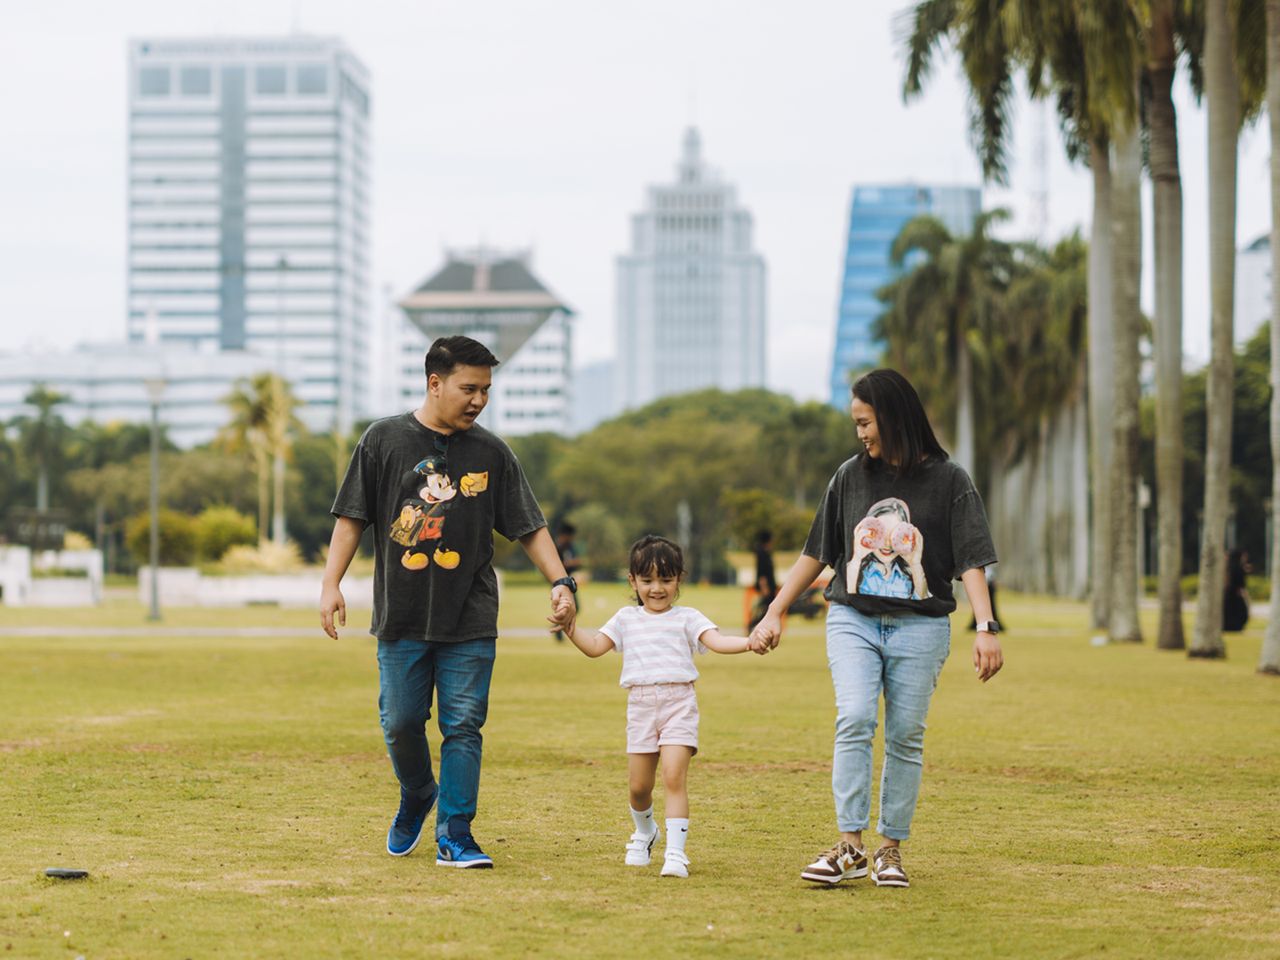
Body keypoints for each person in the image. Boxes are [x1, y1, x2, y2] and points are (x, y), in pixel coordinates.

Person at [320, 335, 577, 868]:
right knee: (400, 722)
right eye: (469, 388)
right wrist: (330, 584)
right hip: (402, 614)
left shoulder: (492, 452)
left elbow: (529, 526)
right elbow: (351, 518)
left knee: (463, 724)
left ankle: (455, 833)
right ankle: (417, 792)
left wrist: (561, 581)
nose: (479, 400)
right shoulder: (383, 440)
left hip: (472, 615)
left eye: (486, 390)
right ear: (435, 383)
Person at [751, 368, 1003, 889]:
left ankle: (890, 850)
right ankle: (850, 847)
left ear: (891, 416)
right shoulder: (850, 475)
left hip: (922, 626)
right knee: (856, 717)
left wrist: (985, 626)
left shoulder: (949, 479)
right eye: (856, 424)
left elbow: (972, 559)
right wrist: (774, 609)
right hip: (853, 619)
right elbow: (817, 551)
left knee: (906, 736)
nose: (860, 433)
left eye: (865, 422)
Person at [561, 534, 768, 878]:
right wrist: (571, 629)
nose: (657, 588)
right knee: (639, 787)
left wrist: (750, 642)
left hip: (679, 704)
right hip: (641, 706)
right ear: (633, 580)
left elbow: (716, 641)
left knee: (674, 775)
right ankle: (645, 832)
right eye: (647, 580)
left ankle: (676, 853)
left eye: (666, 579)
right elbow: (596, 646)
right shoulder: (626, 618)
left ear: (679, 579)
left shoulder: (688, 617)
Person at [553, 522, 583, 642]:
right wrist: (571, 563)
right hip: (559, 583)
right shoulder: (557, 547)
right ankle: (558, 629)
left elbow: (575, 562)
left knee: (574, 608)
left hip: (569, 582)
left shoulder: (570, 546)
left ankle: (559, 628)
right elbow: (556, 565)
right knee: (566, 608)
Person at [748, 529, 778, 631]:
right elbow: (761, 572)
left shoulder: (766, 553)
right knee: (765, 610)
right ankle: (752, 626)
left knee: (766, 609)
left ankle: (759, 627)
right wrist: (764, 587)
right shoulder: (762, 554)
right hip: (766, 587)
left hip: (770, 586)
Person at [1223, 549, 1251, 632]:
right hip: (1236, 595)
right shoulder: (1238, 569)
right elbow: (1241, 585)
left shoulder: (1228, 568)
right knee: (1241, 612)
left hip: (1228, 596)